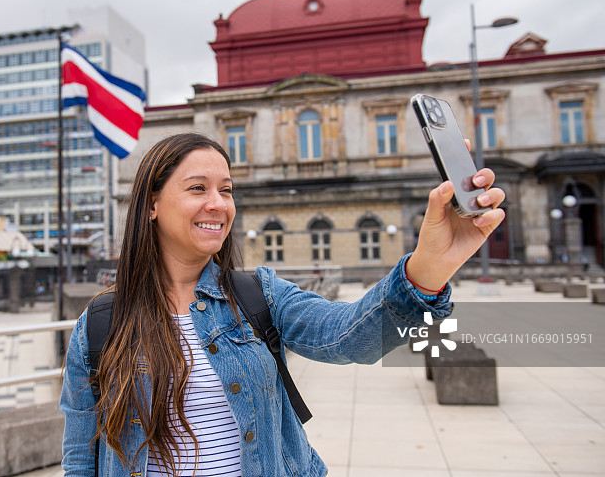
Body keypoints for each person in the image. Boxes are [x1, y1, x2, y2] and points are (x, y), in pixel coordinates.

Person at [60, 133, 505, 476]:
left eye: (226, 190)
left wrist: (428, 268)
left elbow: (349, 337)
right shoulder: (100, 326)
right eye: (198, 188)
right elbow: (81, 458)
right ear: (152, 204)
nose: (218, 204)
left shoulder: (260, 295)